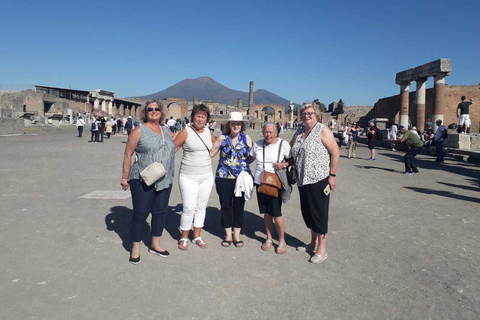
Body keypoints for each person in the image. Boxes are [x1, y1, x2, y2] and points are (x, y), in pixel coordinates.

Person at [120, 100, 176, 264]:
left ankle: (155, 244)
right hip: (142, 178)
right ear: (145, 112)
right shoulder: (139, 130)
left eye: (157, 109)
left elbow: (173, 147)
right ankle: (136, 247)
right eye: (150, 109)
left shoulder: (166, 130)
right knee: (140, 214)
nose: (153, 111)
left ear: (161, 112)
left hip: (164, 178)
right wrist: (125, 177)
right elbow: (128, 154)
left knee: (160, 212)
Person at [290, 105, 339, 264]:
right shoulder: (299, 132)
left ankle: (322, 249)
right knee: (308, 213)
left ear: (316, 114)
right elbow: (291, 151)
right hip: (302, 179)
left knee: (319, 213)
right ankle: (312, 244)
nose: (306, 116)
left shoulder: (322, 130)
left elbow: (335, 152)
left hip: (319, 179)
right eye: (303, 113)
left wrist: (332, 175)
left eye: (310, 113)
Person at [174, 104, 216, 250]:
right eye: (198, 116)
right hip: (188, 176)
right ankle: (184, 237)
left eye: (203, 117)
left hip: (206, 176)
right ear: (193, 117)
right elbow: (173, 148)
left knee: (201, 207)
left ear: (207, 119)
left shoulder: (209, 133)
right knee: (188, 207)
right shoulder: (186, 132)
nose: (200, 119)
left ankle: (197, 235)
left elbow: (214, 149)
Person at [209, 112, 252, 248]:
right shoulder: (222, 138)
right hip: (224, 177)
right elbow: (211, 153)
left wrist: (244, 166)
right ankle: (228, 234)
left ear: (242, 125)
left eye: (238, 123)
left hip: (241, 178)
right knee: (226, 205)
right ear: (229, 124)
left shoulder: (246, 138)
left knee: (239, 206)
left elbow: (252, 155)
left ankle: (237, 235)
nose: (236, 126)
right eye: (233, 123)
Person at [248, 123, 291, 254]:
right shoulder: (258, 145)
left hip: (274, 183)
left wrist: (283, 164)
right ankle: (269, 238)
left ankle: (282, 240)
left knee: (276, 213)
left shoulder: (283, 144)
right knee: (266, 213)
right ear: (263, 132)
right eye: (266, 132)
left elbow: (292, 159)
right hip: (260, 182)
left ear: (276, 133)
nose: (268, 134)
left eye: (271, 132)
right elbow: (249, 158)